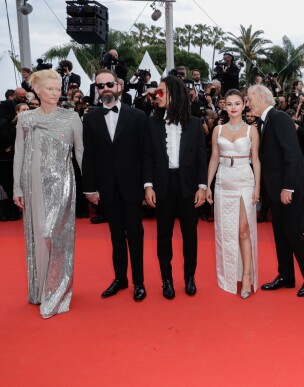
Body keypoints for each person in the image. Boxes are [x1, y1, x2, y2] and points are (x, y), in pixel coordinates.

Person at [12, 69, 83, 318]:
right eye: (50, 89)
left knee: (54, 233)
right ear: (38, 91)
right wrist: (17, 187)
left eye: (57, 89)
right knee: (38, 235)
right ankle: (42, 287)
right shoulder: (26, 119)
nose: (55, 93)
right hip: (33, 184)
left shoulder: (71, 117)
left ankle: (57, 290)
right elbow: (19, 153)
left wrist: (91, 186)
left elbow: (81, 153)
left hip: (62, 183)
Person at [247, 85, 304, 297]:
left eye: (250, 99)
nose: (248, 103)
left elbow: (291, 153)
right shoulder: (266, 121)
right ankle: (286, 275)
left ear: (261, 97)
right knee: (280, 234)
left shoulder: (278, 118)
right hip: (277, 190)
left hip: (292, 188)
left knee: (292, 233)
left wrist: (288, 186)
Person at [82, 69, 149, 302]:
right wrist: (89, 188)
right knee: (115, 236)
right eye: (100, 86)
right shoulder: (90, 118)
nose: (106, 89)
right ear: (97, 90)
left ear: (119, 86)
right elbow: (89, 155)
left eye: (109, 84)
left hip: (132, 188)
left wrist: (147, 186)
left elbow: (145, 155)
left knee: (135, 235)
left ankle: (139, 282)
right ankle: (121, 279)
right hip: (107, 189)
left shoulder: (138, 116)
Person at [143, 76, 207, 299]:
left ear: (175, 95)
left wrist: (202, 186)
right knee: (163, 235)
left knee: (190, 235)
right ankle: (166, 280)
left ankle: (190, 277)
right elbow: (148, 156)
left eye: (162, 92)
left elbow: (202, 158)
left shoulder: (196, 123)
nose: (157, 95)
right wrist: (148, 185)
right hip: (162, 184)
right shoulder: (152, 122)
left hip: (188, 185)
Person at [206, 89, 260, 298]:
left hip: (244, 180)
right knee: (226, 232)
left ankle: (246, 276)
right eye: (229, 104)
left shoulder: (251, 131)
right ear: (224, 106)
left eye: (237, 103)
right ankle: (229, 275)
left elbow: (256, 160)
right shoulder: (218, 131)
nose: (233, 107)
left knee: (243, 230)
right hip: (223, 181)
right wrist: (207, 185)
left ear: (244, 104)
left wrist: (257, 187)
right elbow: (213, 158)